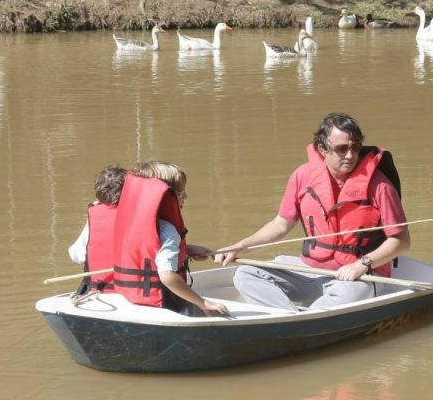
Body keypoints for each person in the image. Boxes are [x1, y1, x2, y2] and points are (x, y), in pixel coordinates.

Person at [214, 112, 410, 310]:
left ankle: (300, 320)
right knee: (246, 274)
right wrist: (239, 246)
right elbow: (280, 225)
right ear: (322, 148)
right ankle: (292, 318)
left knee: (351, 293)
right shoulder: (302, 176)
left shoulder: (380, 186)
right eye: (342, 149)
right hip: (309, 270)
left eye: (355, 148)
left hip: (357, 276)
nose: (350, 155)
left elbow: (401, 242)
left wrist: (362, 265)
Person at [113, 160, 227, 316]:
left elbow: (149, 252)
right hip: (164, 306)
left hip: (129, 299)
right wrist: (203, 302)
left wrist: (186, 249)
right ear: (166, 197)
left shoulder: (131, 221)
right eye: (180, 193)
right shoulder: (169, 231)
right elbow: (167, 277)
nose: (185, 196)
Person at [68, 165, 126, 294]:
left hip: (101, 292)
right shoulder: (139, 216)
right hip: (136, 293)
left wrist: (91, 221)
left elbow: (76, 256)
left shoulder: (96, 218)